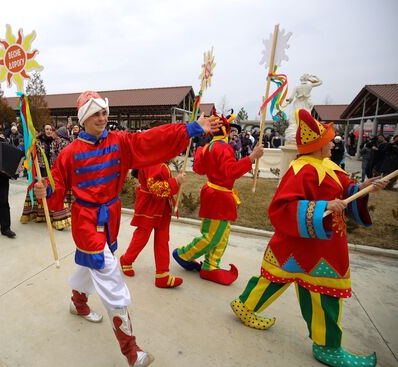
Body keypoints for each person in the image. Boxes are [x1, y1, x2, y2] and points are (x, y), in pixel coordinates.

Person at [34, 90, 220, 367]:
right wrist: (43, 191)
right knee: (110, 276)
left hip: (110, 218)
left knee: (90, 266)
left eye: (104, 112)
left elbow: (151, 140)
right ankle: (132, 352)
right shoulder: (69, 153)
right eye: (96, 113)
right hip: (86, 221)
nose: (102, 118)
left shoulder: (120, 142)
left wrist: (191, 128)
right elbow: (56, 189)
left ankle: (78, 304)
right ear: (84, 118)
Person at [230, 109, 386, 367]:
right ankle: (327, 347)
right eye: (328, 140)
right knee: (316, 291)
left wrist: (365, 187)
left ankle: (246, 306)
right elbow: (282, 208)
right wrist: (324, 206)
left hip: (320, 241)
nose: (332, 143)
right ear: (318, 145)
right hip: (307, 245)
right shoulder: (301, 169)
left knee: (280, 280)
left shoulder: (329, 165)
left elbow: (347, 189)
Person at [173, 116, 264, 285]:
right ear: (227, 131)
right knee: (213, 236)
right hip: (219, 196)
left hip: (213, 192)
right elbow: (231, 171)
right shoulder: (223, 147)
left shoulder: (209, 146)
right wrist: (252, 157)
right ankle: (184, 254)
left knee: (221, 233)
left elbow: (199, 169)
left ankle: (211, 265)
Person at [119, 164, 185, 288]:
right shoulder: (153, 160)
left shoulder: (157, 158)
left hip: (161, 205)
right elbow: (155, 187)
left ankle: (162, 275)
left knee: (163, 239)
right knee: (142, 236)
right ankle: (126, 259)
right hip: (150, 205)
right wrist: (175, 181)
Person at [20, 124, 72, 230]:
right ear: (43, 130)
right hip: (42, 169)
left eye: (51, 129)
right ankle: (41, 215)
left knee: (56, 192)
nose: (49, 131)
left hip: (55, 171)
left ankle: (56, 218)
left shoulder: (55, 141)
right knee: (42, 191)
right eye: (46, 129)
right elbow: (30, 155)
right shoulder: (38, 141)